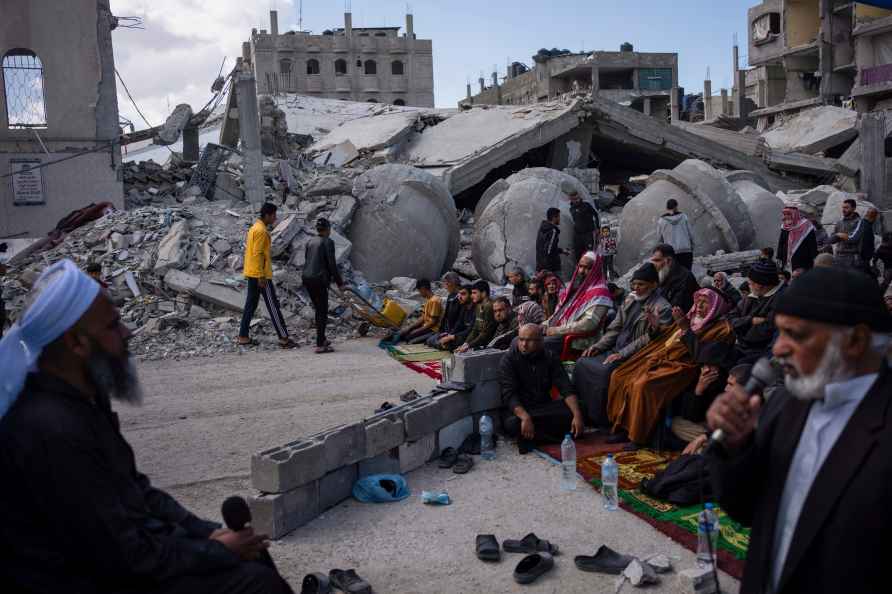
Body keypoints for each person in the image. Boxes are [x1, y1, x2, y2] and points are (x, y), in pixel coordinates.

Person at [0, 260, 293, 594]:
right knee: (256, 585)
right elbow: (121, 555)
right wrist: (216, 551)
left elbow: (137, 491)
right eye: (113, 326)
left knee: (251, 556)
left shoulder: (83, 402)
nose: (127, 333)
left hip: (129, 553)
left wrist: (205, 533)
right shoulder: (52, 431)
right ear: (76, 343)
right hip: (91, 577)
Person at [706, 266, 892, 594]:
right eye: (780, 333)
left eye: (797, 335)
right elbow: (748, 510)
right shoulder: (786, 403)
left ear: (856, 341)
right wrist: (737, 447)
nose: (778, 349)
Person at [606, 287, 735, 446]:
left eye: (705, 303)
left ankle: (637, 436)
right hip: (661, 356)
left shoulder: (722, 329)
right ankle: (622, 427)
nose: (699, 306)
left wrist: (685, 328)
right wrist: (655, 326)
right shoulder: (691, 317)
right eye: (698, 301)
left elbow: (702, 355)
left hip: (684, 366)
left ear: (716, 306)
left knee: (642, 385)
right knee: (619, 375)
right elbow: (668, 336)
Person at [572, 263, 673, 428]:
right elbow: (616, 328)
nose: (636, 288)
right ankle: (583, 413)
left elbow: (650, 340)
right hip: (616, 349)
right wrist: (598, 346)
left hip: (636, 356)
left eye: (641, 284)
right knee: (582, 363)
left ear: (654, 285)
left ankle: (603, 419)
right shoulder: (630, 299)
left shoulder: (662, 308)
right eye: (634, 284)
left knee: (605, 373)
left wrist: (622, 354)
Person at [500, 324, 586, 454]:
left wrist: (577, 415)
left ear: (540, 341)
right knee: (512, 424)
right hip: (521, 410)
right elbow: (509, 395)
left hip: (544, 408)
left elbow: (565, 387)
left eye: (529, 340)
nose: (524, 344)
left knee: (580, 408)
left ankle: (533, 437)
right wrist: (525, 417)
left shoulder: (550, 357)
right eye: (521, 339)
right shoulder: (509, 360)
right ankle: (557, 435)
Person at [239, 203, 297, 349]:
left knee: (250, 306)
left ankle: (243, 336)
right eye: (274, 215)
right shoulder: (262, 231)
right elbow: (258, 254)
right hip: (261, 275)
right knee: (273, 306)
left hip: (252, 273)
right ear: (267, 215)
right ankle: (284, 338)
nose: (275, 218)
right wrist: (261, 276)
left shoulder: (254, 228)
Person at [670, 351, 748, 455]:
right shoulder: (702, 381)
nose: (706, 370)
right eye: (703, 365)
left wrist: (705, 436)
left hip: (727, 436)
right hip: (710, 428)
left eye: (710, 366)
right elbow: (692, 416)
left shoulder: (746, 399)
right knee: (677, 423)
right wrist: (699, 390)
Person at [542, 251, 613, 357]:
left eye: (587, 268)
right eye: (580, 266)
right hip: (556, 331)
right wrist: (545, 324)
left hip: (575, 339)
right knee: (520, 336)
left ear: (595, 270)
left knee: (535, 345)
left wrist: (556, 330)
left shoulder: (600, 293)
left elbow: (588, 324)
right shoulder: (574, 290)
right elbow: (559, 313)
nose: (581, 271)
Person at [302, 217, 344, 353]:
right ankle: (320, 344)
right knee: (322, 311)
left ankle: (322, 338)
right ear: (328, 229)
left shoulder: (310, 242)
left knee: (319, 309)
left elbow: (307, 260)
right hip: (319, 280)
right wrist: (340, 283)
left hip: (307, 279)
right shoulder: (328, 242)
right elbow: (332, 265)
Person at [731, 259, 783, 363]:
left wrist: (740, 325)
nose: (748, 285)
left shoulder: (781, 299)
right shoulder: (752, 295)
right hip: (742, 347)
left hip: (761, 352)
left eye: (750, 283)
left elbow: (763, 332)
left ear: (760, 285)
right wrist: (749, 320)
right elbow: (729, 319)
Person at [651, 244, 699, 312]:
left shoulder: (684, 278)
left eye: (657, 260)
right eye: (653, 261)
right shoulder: (663, 275)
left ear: (669, 261)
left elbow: (675, 309)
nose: (653, 264)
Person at [394, 279, 443, 345]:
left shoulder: (434, 301)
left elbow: (432, 322)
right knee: (404, 333)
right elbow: (423, 317)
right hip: (426, 327)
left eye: (419, 291)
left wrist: (416, 331)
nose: (419, 293)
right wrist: (410, 328)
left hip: (433, 330)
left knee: (409, 340)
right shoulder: (429, 300)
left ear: (423, 289)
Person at [430, 284, 476, 351]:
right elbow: (459, 325)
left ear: (471, 295)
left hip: (467, 337)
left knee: (448, 344)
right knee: (433, 341)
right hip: (459, 335)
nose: (459, 297)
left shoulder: (475, 310)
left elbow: (470, 330)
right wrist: (450, 335)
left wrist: (452, 337)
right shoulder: (464, 307)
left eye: (463, 294)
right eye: (459, 294)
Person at [455, 281, 496, 353]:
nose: (471, 296)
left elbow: (485, 333)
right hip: (479, 341)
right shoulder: (478, 305)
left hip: (489, 344)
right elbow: (475, 329)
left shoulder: (489, 306)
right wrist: (466, 343)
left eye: (474, 293)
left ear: (483, 293)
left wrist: (469, 346)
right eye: (471, 293)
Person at [656, 198, 695, 269]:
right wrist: (692, 245)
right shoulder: (684, 217)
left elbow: (659, 239)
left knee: (674, 275)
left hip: (670, 253)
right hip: (685, 250)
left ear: (667, 208)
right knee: (687, 273)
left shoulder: (661, 221)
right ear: (676, 206)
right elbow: (690, 233)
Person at [777, 205, 817, 273]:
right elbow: (781, 243)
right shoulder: (784, 226)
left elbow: (812, 245)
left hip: (803, 262)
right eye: (785, 214)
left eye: (788, 214)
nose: (786, 216)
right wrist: (779, 257)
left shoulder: (807, 225)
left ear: (795, 214)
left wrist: (815, 260)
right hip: (787, 261)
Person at [566, 182, 600, 262]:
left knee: (589, 254)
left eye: (577, 198)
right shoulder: (571, 208)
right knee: (578, 254)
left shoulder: (586, 205)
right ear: (571, 199)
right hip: (577, 235)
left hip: (587, 234)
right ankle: (579, 270)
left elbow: (596, 215)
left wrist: (598, 228)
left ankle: (590, 271)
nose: (576, 200)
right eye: (574, 199)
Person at [830, 198, 866, 269]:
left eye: (846, 208)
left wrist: (839, 235)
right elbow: (831, 239)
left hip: (851, 257)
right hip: (838, 256)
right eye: (843, 207)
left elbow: (853, 239)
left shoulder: (859, 222)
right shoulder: (839, 222)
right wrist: (837, 236)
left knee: (850, 279)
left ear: (853, 208)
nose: (843, 210)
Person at [536, 207, 566, 276]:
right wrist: (547, 269)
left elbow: (548, 247)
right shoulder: (552, 230)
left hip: (541, 266)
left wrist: (562, 251)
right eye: (558, 217)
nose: (559, 219)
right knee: (557, 285)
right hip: (551, 268)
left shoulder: (542, 228)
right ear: (554, 218)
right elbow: (548, 251)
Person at [859, 207, 879, 278]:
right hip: (863, 259)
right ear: (874, 217)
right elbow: (866, 244)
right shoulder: (867, 227)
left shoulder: (862, 224)